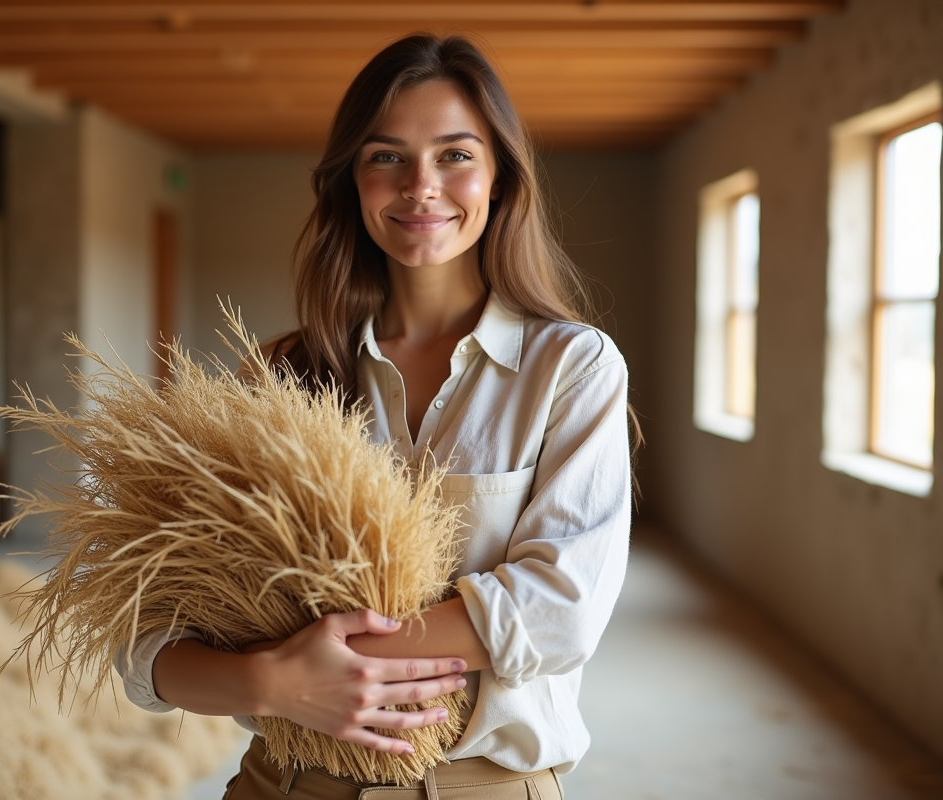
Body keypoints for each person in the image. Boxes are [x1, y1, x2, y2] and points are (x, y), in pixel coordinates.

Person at [118, 33, 634, 799]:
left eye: (455, 155)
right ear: (351, 184)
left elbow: (561, 610)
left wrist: (332, 661)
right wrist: (274, 682)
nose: (421, 185)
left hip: (481, 784)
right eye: (386, 156)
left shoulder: (571, 367)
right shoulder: (279, 374)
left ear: (499, 178)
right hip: (285, 783)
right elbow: (145, 641)